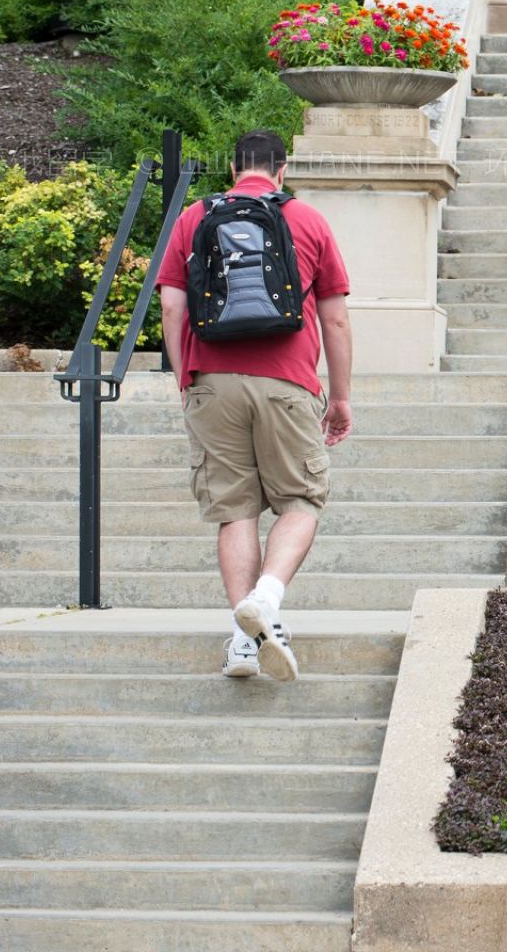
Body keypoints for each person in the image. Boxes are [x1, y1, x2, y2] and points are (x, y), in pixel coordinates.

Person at [157, 130, 354, 684]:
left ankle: (245, 642)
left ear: (234, 168)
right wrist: (338, 396)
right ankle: (266, 601)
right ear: (281, 170)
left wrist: (184, 376)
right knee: (301, 500)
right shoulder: (308, 220)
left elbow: (173, 306)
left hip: (211, 380)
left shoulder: (196, 217)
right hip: (287, 383)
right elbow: (335, 318)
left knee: (234, 510)